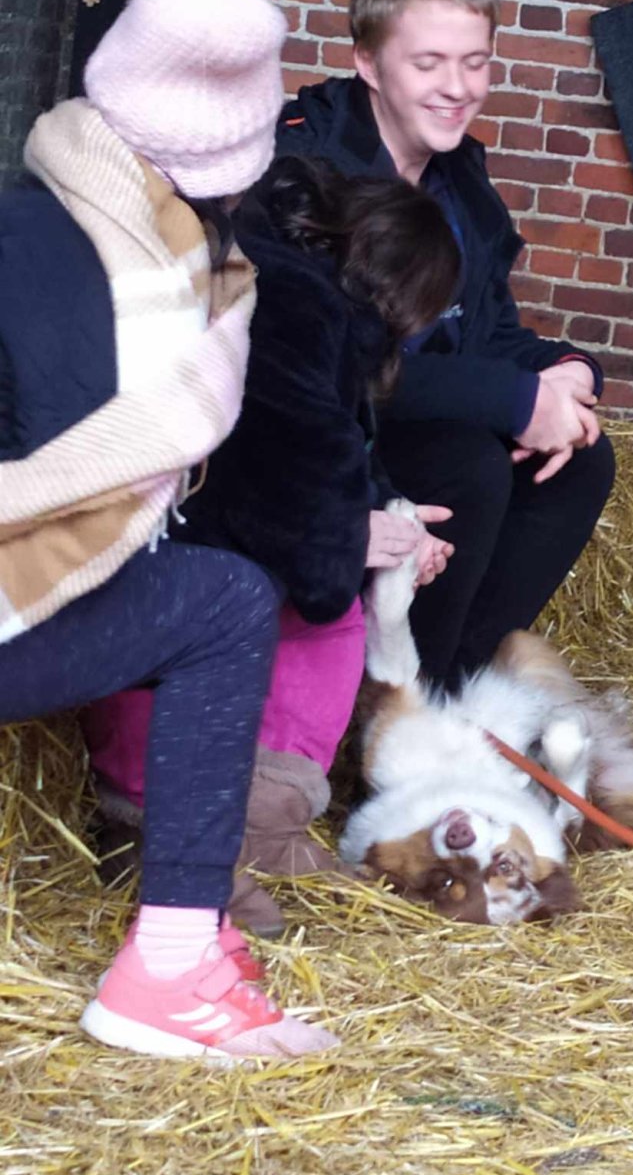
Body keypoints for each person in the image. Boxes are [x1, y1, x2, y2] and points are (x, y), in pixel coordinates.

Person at [0, 0, 338, 1061]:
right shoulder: (172, 294)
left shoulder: (25, 220)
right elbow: (75, 476)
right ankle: (173, 963)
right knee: (229, 602)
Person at [80, 155, 462, 936]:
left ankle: (190, 820)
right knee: (317, 616)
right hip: (168, 567)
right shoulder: (302, 318)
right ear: (404, 296)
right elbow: (304, 508)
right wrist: (355, 539)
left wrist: (384, 510)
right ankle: (227, 826)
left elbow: (333, 454)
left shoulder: (288, 283)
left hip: (149, 549)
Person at [275, 0, 616, 691]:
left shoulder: (458, 175)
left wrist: (561, 371)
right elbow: (325, 364)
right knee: (471, 462)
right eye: (430, 63)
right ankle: (388, 707)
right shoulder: (308, 170)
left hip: (416, 409)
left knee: (580, 460)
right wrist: (512, 401)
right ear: (368, 61)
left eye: (476, 63)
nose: (458, 89)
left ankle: (455, 692)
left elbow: (484, 329)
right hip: (322, 430)